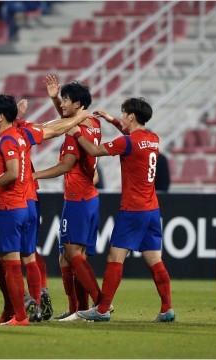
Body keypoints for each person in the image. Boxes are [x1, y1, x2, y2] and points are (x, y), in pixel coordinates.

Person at [0, 95, 90, 325]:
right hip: (28, 203)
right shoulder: (20, 136)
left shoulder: (8, 140)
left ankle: (20, 314)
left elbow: (11, 172)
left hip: (9, 206)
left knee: (9, 261)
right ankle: (36, 305)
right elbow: (48, 130)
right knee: (29, 257)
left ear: (0, 117)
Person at [68, 97, 174, 322]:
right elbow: (132, 136)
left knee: (115, 257)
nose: (122, 117)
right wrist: (111, 120)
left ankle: (103, 309)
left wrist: (76, 131)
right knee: (155, 259)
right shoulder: (153, 138)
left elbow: (95, 151)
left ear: (132, 116)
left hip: (133, 210)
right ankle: (167, 309)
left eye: (124, 114)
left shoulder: (126, 142)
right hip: (152, 209)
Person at [33, 77, 102, 320]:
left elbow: (65, 165)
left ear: (78, 103)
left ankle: (101, 304)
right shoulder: (91, 122)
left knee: (72, 253)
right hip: (87, 198)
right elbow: (67, 123)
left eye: (65, 100)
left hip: (78, 198)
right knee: (66, 255)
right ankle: (77, 309)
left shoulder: (75, 131)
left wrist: (32, 174)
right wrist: (54, 98)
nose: (62, 104)